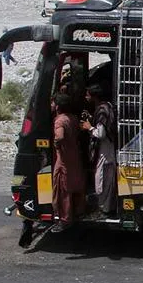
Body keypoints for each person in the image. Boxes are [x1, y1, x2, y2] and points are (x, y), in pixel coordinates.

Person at [50, 93, 86, 233]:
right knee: (76, 183)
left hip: (63, 159)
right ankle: (79, 211)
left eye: (53, 103)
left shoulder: (59, 120)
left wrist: (56, 144)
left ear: (58, 106)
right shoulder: (73, 118)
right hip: (74, 156)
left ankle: (65, 219)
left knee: (63, 189)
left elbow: (60, 136)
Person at [81, 83, 117, 217]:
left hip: (105, 148)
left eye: (87, 95)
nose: (86, 97)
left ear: (94, 96)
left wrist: (89, 128)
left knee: (101, 179)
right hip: (107, 147)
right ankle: (106, 206)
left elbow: (100, 134)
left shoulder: (103, 110)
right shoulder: (105, 106)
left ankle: (104, 208)